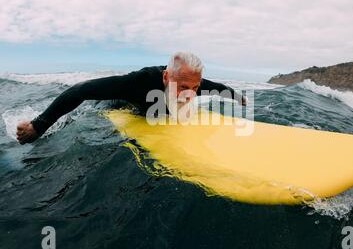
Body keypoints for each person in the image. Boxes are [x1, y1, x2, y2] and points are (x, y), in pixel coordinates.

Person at [16, 52, 246, 144]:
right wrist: (39, 125)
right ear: (166, 77)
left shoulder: (194, 84)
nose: (189, 93)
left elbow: (218, 88)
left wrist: (238, 98)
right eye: (183, 86)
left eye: (194, 88)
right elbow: (81, 90)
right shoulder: (139, 82)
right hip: (120, 104)